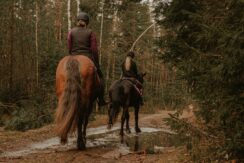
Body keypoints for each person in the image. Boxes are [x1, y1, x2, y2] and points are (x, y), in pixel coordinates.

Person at [68, 12, 106, 106]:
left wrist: (72, 55)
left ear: (78, 21)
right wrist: (96, 64)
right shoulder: (90, 32)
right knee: (101, 79)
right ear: (87, 22)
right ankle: (101, 100)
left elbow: (69, 46)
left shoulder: (71, 32)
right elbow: (94, 50)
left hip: (73, 57)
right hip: (87, 57)